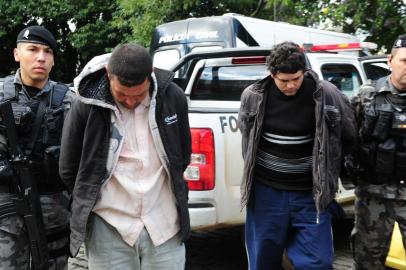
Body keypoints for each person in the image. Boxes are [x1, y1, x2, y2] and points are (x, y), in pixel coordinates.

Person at [59, 43, 191, 270]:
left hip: (165, 222)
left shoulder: (172, 97)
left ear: (150, 77)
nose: (130, 102)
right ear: (109, 75)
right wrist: (92, 195)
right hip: (109, 225)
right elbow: (68, 167)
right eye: (121, 95)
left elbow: (182, 155)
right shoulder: (86, 104)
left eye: (139, 95)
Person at [238, 41, 357, 270]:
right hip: (266, 195)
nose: (291, 85)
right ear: (272, 74)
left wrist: (338, 178)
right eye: (284, 80)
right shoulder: (253, 96)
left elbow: (349, 136)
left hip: (311, 195)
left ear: (305, 71)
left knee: (318, 263)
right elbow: (247, 138)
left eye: (296, 78)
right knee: (263, 261)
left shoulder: (328, 96)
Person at [0, 26, 74, 269]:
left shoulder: (69, 100)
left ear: (53, 60)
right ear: (16, 54)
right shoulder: (1, 93)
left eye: (47, 52)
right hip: (6, 207)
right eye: (32, 49)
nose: (40, 57)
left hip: (54, 206)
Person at [351, 34, 406, 270]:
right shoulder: (367, 96)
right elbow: (347, 137)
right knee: (367, 261)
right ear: (389, 60)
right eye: (404, 61)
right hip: (373, 195)